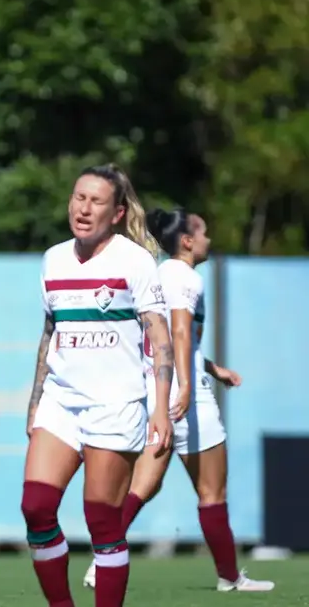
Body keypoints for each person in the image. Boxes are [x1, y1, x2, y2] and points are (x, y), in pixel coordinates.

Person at [82, 208, 274, 593]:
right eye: (202, 232)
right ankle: (230, 577)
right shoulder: (185, 277)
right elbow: (181, 333)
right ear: (186, 241)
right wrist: (187, 386)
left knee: (142, 487)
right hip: (187, 398)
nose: (208, 239)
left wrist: (214, 368)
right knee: (212, 492)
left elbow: (164, 337)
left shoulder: (159, 273)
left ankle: (102, 560)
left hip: (156, 390)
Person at [20, 163, 174, 607]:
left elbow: (160, 339)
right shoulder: (53, 259)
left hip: (116, 405)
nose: (83, 209)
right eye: (78, 197)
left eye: (96, 201)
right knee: (35, 508)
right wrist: (35, 403)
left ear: (118, 213)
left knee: (102, 522)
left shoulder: (134, 261)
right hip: (60, 403)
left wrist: (160, 407)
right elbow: (50, 333)